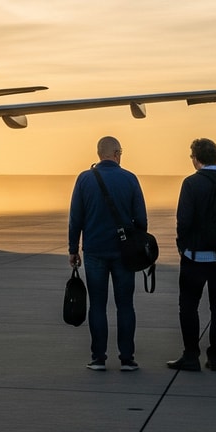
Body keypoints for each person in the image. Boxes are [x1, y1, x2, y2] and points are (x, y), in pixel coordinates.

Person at [68, 136, 148, 372]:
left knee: (98, 305)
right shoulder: (130, 178)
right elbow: (141, 219)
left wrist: (73, 249)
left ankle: (98, 358)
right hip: (124, 254)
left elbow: (76, 219)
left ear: (98, 153)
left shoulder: (84, 179)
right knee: (125, 306)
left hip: (94, 252)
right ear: (117, 153)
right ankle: (127, 358)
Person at [168, 138, 216, 373]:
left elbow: (184, 220)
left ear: (196, 158)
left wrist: (182, 245)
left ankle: (191, 355)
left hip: (197, 255)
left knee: (188, 306)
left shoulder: (191, 183)